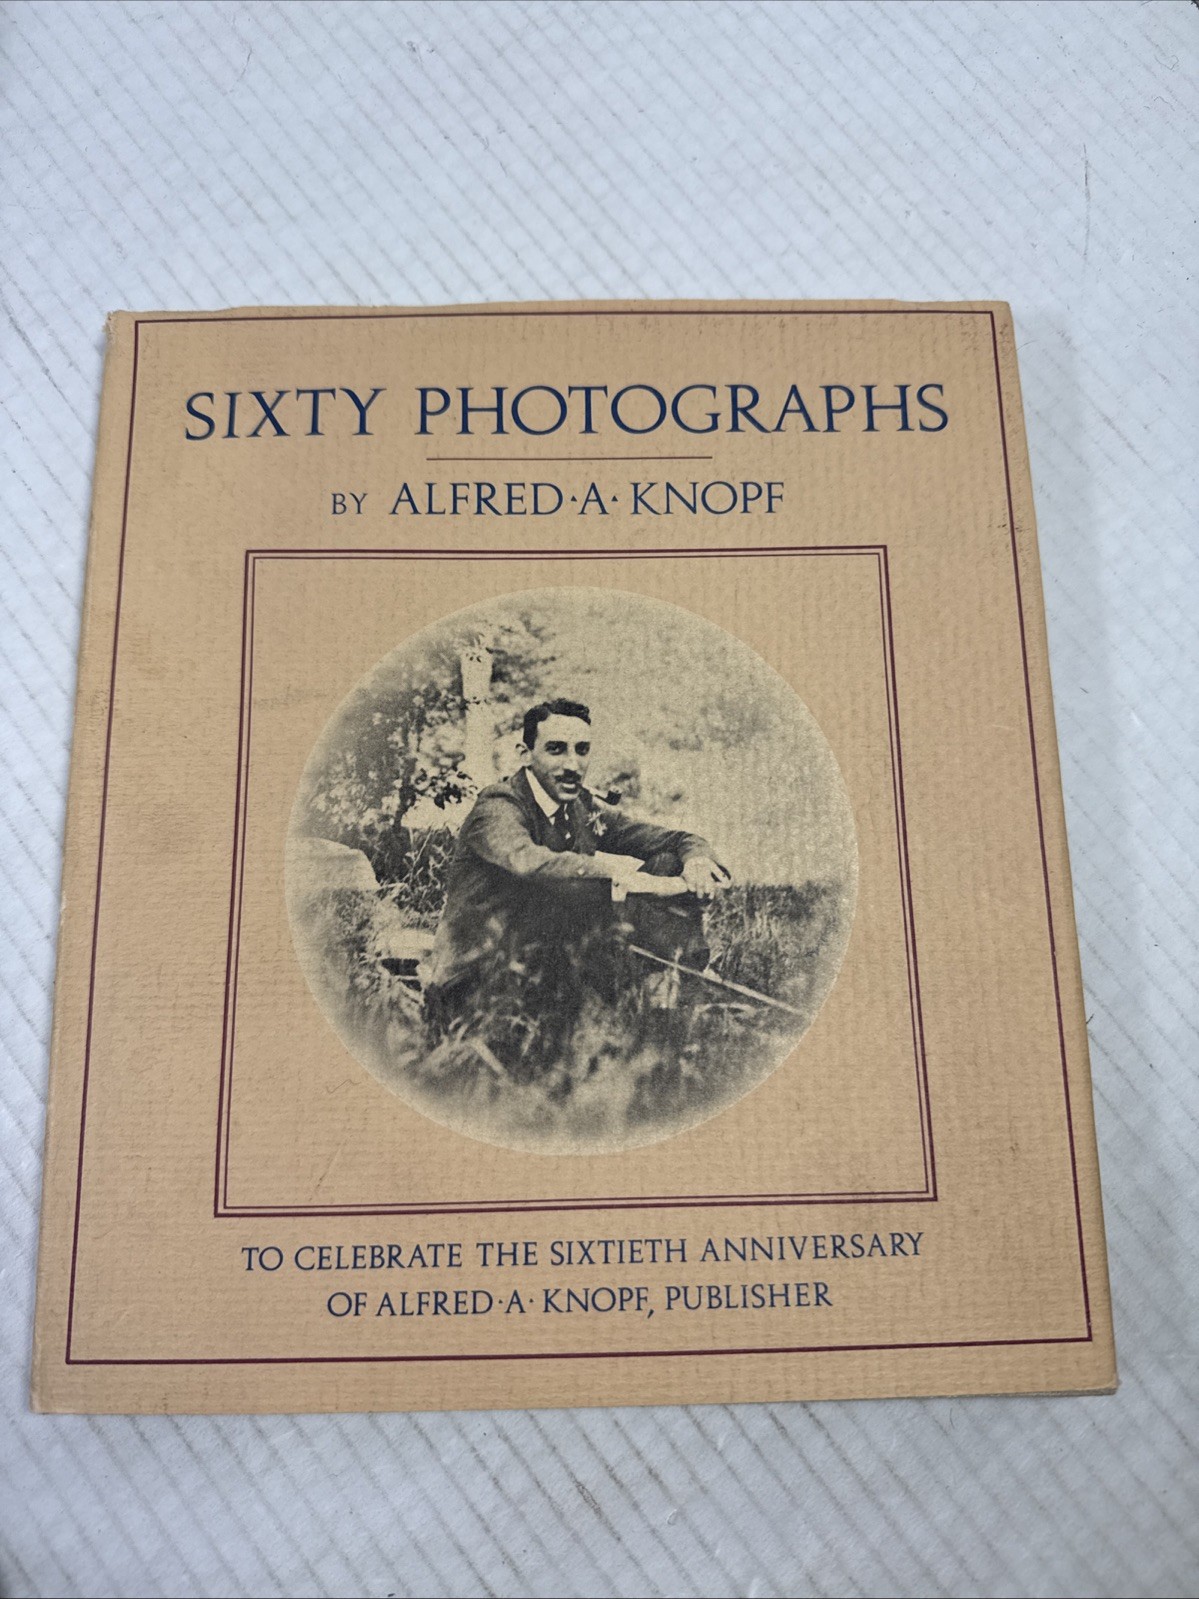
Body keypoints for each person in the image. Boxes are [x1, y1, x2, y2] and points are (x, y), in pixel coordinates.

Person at [423, 697, 730, 1070]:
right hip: (480, 978)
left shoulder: (579, 807)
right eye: (556, 750)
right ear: (525, 753)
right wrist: (635, 882)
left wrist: (696, 862)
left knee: (668, 862)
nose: (572, 765)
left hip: (550, 966)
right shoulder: (498, 807)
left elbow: (673, 839)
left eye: (581, 750)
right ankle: (654, 1015)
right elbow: (532, 863)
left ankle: (674, 1004)